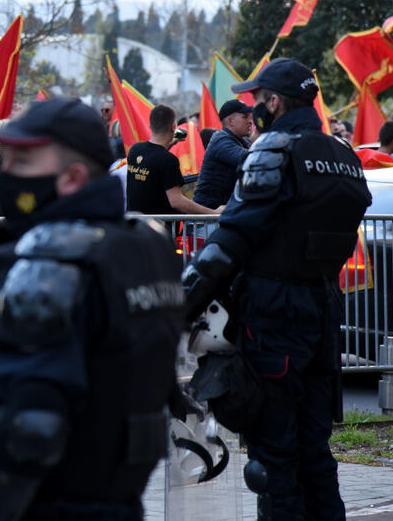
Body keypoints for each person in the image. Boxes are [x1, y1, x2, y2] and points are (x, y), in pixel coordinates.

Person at [0, 97, 186, 519]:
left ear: (72, 177)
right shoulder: (145, 246)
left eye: (24, 162)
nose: (8, 177)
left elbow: (29, 429)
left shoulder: (53, 271)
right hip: (114, 500)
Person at [182, 58, 371, 520]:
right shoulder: (344, 156)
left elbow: (231, 240)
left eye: (257, 100)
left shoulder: (274, 150)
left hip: (273, 316)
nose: (254, 109)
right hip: (323, 311)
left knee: (273, 460)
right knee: (316, 453)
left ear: (275, 101)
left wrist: (178, 300)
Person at [126, 104, 219, 215]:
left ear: (150, 125)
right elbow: (177, 202)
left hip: (136, 225)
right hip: (158, 228)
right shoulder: (168, 160)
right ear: (173, 126)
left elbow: (154, 157)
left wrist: (171, 142)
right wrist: (213, 213)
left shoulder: (135, 150)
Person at [192, 99, 254, 209]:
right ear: (230, 121)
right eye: (245, 117)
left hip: (222, 216)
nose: (250, 121)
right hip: (207, 220)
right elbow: (252, 159)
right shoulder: (221, 140)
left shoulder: (243, 140)